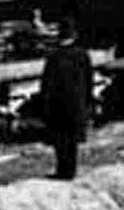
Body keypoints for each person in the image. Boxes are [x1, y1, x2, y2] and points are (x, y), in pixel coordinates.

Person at [39, 22, 94, 180]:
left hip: (58, 104)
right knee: (72, 140)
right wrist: (88, 101)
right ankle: (71, 171)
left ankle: (62, 170)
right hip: (76, 103)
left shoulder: (53, 56)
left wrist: (44, 104)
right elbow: (89, 80)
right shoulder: (82, 54)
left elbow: (46, 83)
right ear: (74, 36)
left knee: (60, 140)